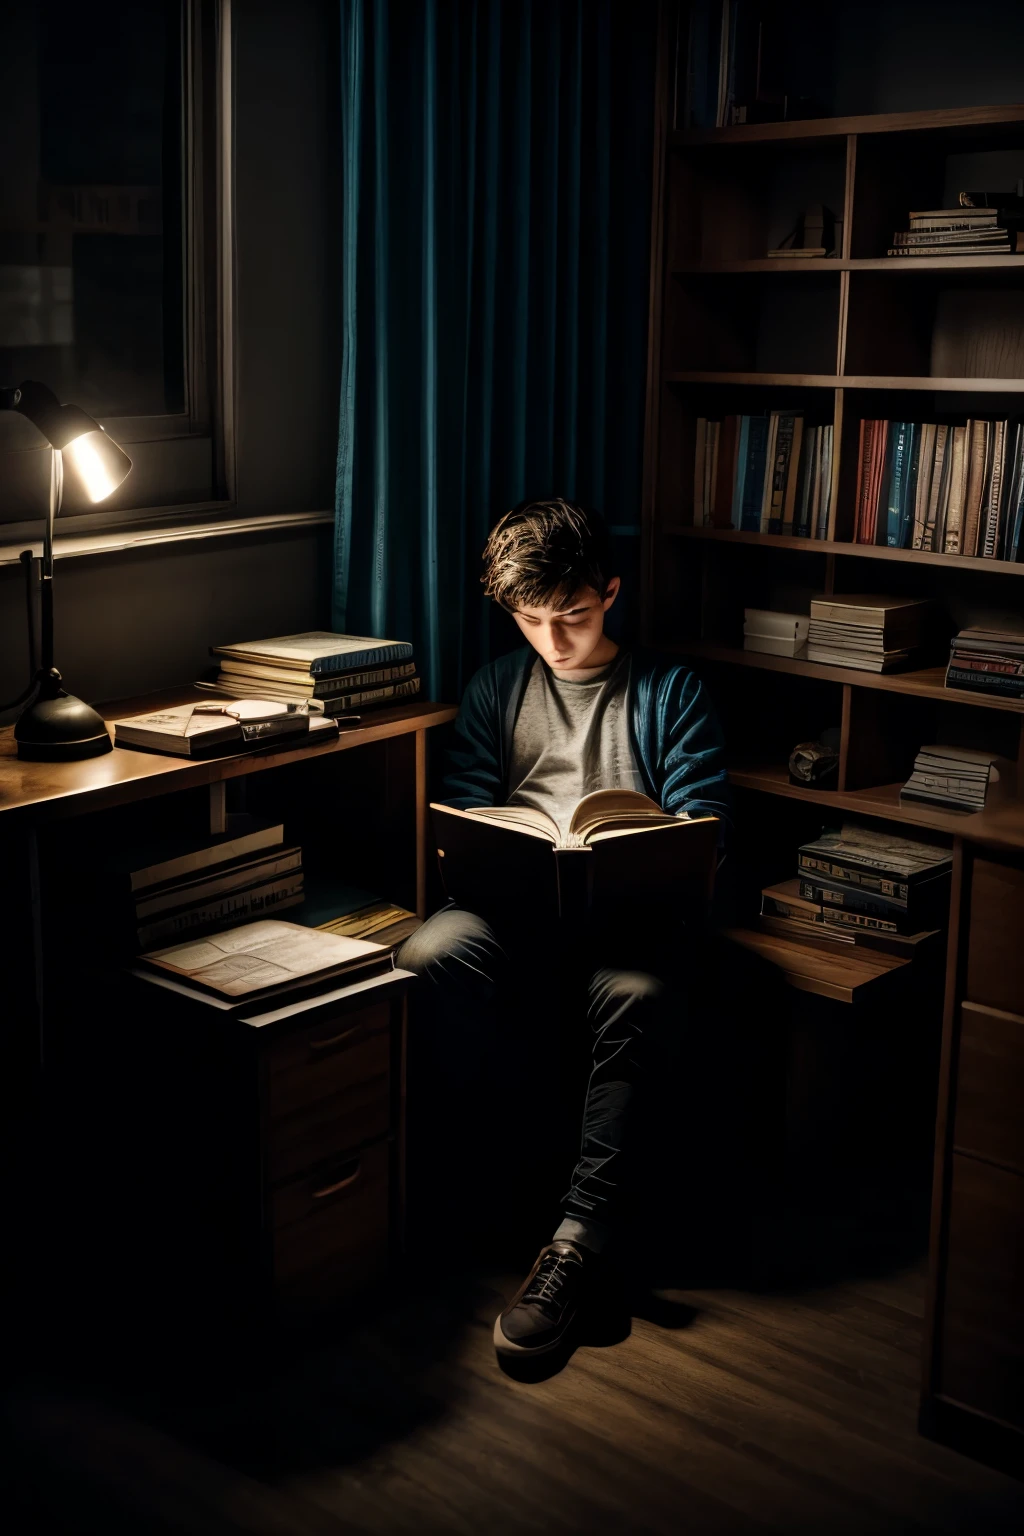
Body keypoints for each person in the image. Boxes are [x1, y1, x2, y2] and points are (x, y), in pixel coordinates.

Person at [397, 498, 730, 1361]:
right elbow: (465, 809)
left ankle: (578, 1242)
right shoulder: (495, 688)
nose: (553, 639)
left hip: (631, 922)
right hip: (515, 912)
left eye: (573, 617)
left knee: (638, 996)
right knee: (429, 953)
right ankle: (497, 1189)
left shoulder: (669, 692)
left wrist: (646, 849)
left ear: (610, 593)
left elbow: (705, 825)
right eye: (531, 619)